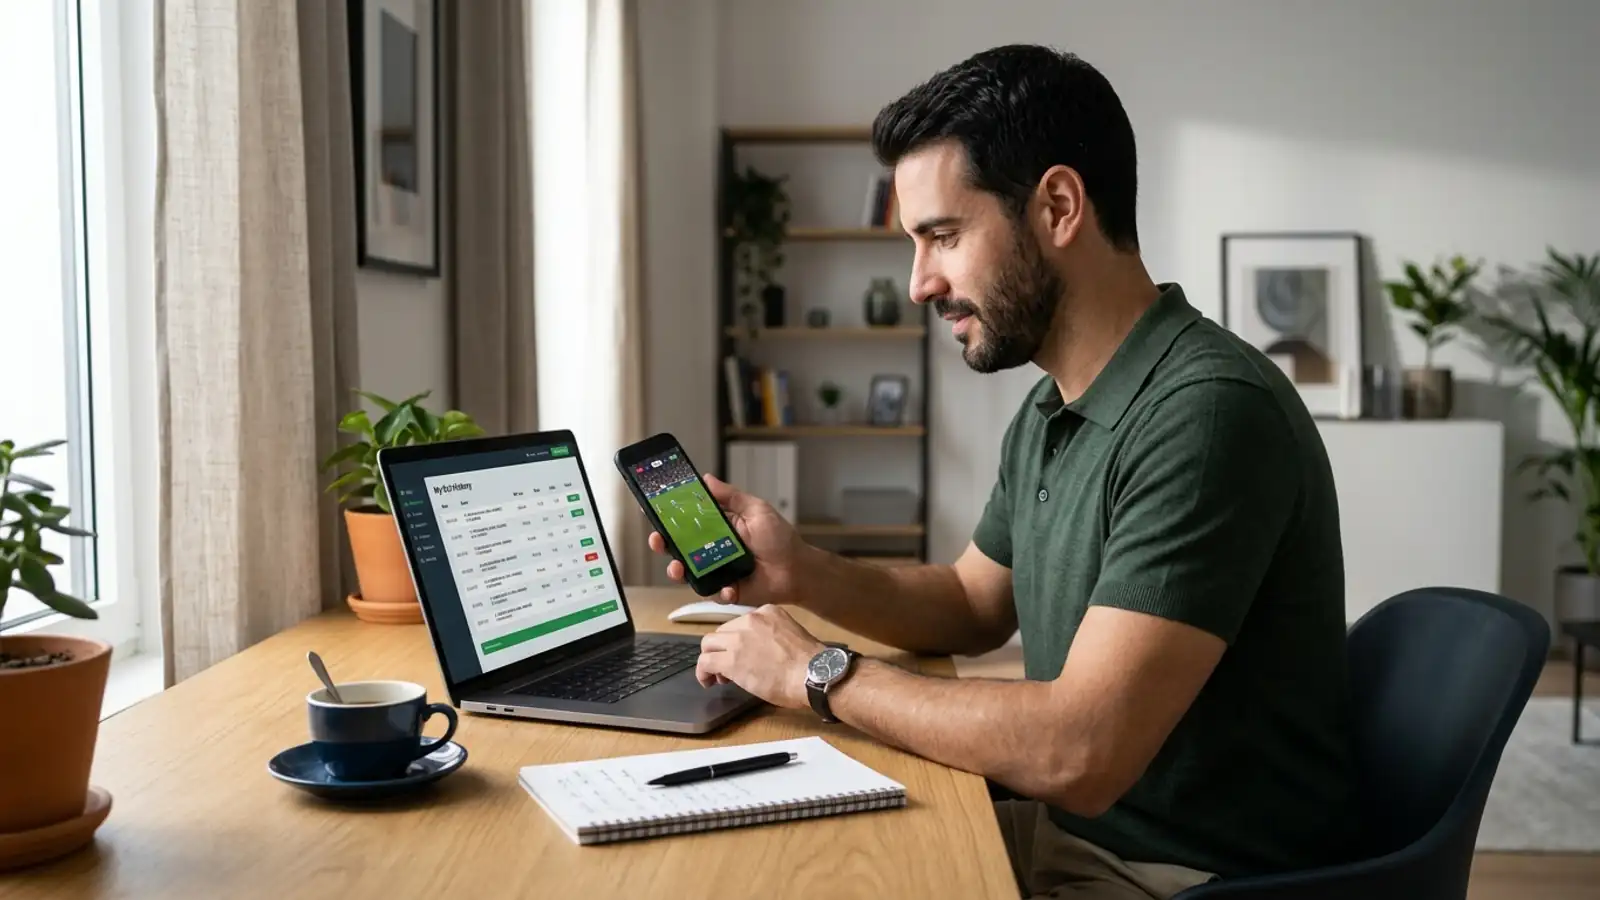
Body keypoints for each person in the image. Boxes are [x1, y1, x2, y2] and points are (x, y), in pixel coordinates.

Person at [651, 44, 1357, 900]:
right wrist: (798, 569)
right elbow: (971, 603)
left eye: (943, 236)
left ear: (1058, 207)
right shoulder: (1055, 407)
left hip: (1176, 876)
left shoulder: (1205, 415)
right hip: (1078, 834)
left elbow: (1079, 750)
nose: (920, 284)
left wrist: (817, 672)